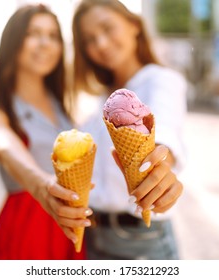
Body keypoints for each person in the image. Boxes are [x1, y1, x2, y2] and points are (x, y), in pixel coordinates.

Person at [72, 0, 187, 259]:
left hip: (140, 240)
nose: (100, 44)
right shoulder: (99, 100)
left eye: (107, 28)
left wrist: (160, 167)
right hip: (94, 236)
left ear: (134, 25)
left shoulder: (161, 80)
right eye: (89, 40)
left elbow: (164, 133)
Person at [0, 4, 92, 260]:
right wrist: (42, 186)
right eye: (34, 33)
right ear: (13, 42)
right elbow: (4, 147)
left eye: (53, 36)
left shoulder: (64, 109)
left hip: (70, 231)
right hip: (26, 234)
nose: (45, 43)